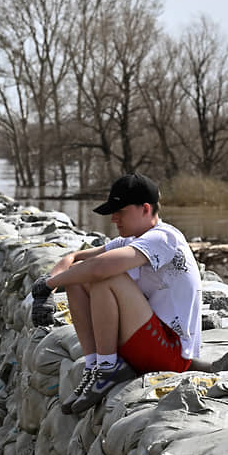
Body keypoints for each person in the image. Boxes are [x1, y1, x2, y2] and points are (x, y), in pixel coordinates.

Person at [31, 173, 202, 414]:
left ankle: (107, 367)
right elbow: (76, 258)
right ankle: (95, 367)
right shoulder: (133, 240)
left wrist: (48, 286)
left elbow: (100, 268)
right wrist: (50, 281)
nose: (113, 219)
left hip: (170, 355)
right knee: (79, 278)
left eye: (119, 211)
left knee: (104, 277)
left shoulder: (164, 238)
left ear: (144, 209)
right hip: (146, 342)